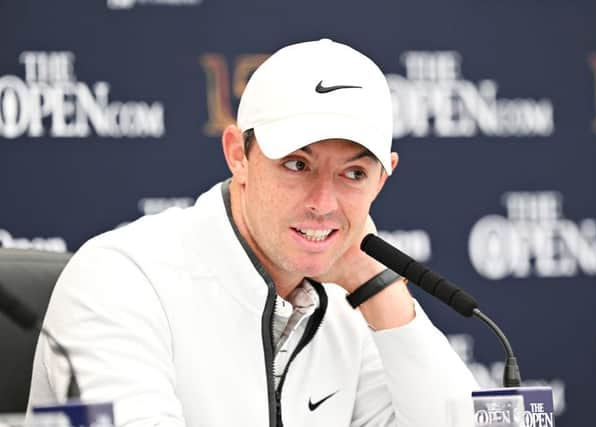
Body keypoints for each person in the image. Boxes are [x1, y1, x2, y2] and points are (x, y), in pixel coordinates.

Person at [28, 39, 477, 426]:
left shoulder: (348, 305)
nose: (323, 203)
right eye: (297, 165)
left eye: (354, 173)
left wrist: (378, 287)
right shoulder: (121, 279)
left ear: (383, 178)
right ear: (237, 155)